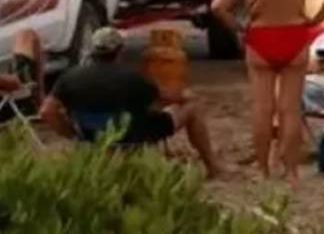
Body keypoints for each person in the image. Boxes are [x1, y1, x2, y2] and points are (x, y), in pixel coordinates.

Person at [211, 0, 324, 186]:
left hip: (261, 38)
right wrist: (315, 19)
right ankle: (292, 172)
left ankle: (263, 171)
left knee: (262, 108)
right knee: (290, 110)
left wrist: (237, 27)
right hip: (294, 36)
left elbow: (217, 7)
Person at [38, 27, 224, 178]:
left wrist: (74, 135)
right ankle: (213, 167)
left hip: (91, 135)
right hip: (133, 135)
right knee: (192, 108)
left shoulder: (70, 77)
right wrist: (188, 95)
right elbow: (167, 98)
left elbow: (47, 112)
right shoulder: (133, 79)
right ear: (120, 51)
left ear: (93, 50)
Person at [0, 29, 45, 121]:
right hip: (10, 102)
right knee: (28, 36)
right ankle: (39, 102)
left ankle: (40, 101)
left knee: (26, 34)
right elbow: (14, 84)